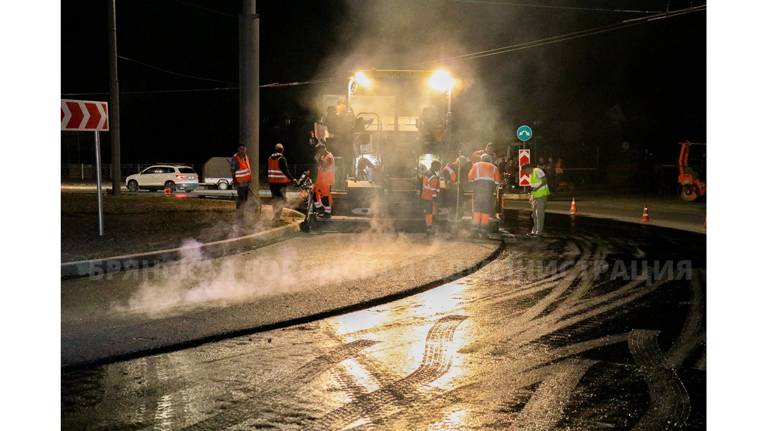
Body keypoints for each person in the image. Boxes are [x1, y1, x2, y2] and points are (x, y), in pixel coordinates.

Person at [468, 153, 502, 238]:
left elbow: (470, 178)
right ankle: (484, 233)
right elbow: (497, 182)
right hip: (488, 194)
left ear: (481, 159)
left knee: (476, 211)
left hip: (478, 192)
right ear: (489, 159)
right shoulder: (494, 167)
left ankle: (474, 232)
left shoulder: (476, 165)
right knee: (485, 212)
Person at [267, 143, 296, 222]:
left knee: (275, 199)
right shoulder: (281, 159)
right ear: (282, 150)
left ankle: (275, 216)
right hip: (280, 183)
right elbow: (285, 171)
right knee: (281, 200)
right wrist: (292, 179)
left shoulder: (270, 158)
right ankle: (278, 217)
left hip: (272, 183)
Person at [522, 163, 550, 235]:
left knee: (539, 215)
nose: (526, 173)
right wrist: (531, 197)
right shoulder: (530, 175)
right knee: (534, 215)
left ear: (529, 168)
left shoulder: (537, 170)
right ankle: (534, 231)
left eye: (526, 171)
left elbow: (544, 181)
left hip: (541, 196)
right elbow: (532, 188)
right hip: (535, 197)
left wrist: (536, 189)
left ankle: (538, 232)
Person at [313, 143, 335, 218]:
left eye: (319, 151)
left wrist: (318, 160)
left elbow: (325, 167)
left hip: (326, 180)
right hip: (320, 179)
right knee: (314, 193)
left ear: (323, 149)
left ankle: (327, 213)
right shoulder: (323, 156)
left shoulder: (329, 157)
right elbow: (319, 167)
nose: (318, 152)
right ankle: (320, 209)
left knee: (325, 197)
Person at [420, 160, 442, 236]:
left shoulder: (426, 173)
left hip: (425, 196)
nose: (439, 168)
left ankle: (428, 229)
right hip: (430, 198)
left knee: (428, 214)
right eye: (438, 166)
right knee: (431, 213)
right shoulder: (433, 176)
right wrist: (436, 199)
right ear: (434, 166)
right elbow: (433, 190)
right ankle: (430, 230)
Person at [230, 145, 252, 219]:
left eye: (244, 149)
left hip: (246, 182)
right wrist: (235, 181)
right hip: (239, 183)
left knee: (245, 199)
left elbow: (247, 168)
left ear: (246, 150)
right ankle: (239, 213)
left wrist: (249, 178)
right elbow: (232, 170)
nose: (242, 150)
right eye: (241, 149)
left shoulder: (246, 157)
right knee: (241, 198)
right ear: (238, 149)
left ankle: (242, 213)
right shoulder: (235, 158)